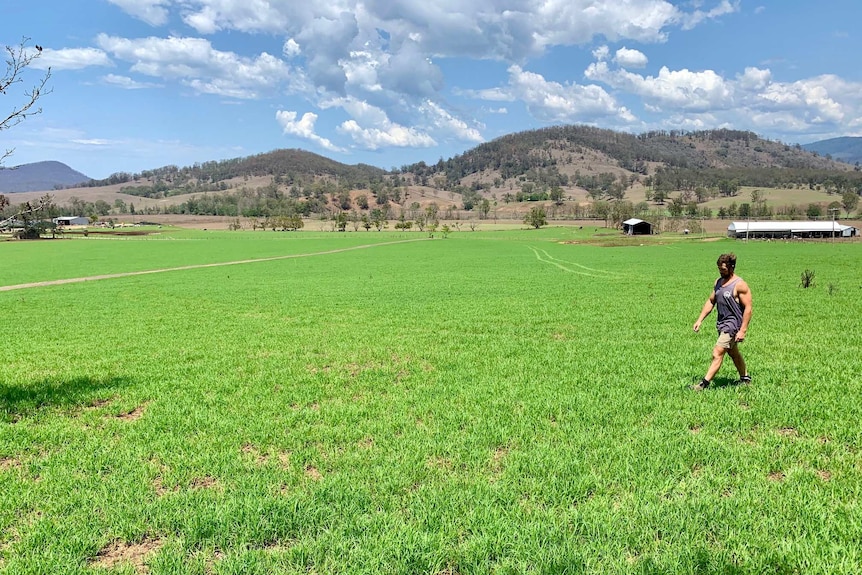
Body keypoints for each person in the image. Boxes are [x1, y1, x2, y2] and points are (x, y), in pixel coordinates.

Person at [692, 253, 752, 390]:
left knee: (717, 352)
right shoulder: (718, 283)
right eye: (719, 269)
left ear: (732, 267)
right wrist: (699, 320)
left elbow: (748, 308)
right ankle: (745, 378)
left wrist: (742, 330)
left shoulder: (740, 285)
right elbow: (711, 301)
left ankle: (703, 384)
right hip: (722, 323)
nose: (721, 272)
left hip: (732, 325)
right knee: (733, 353)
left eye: (723, 269)